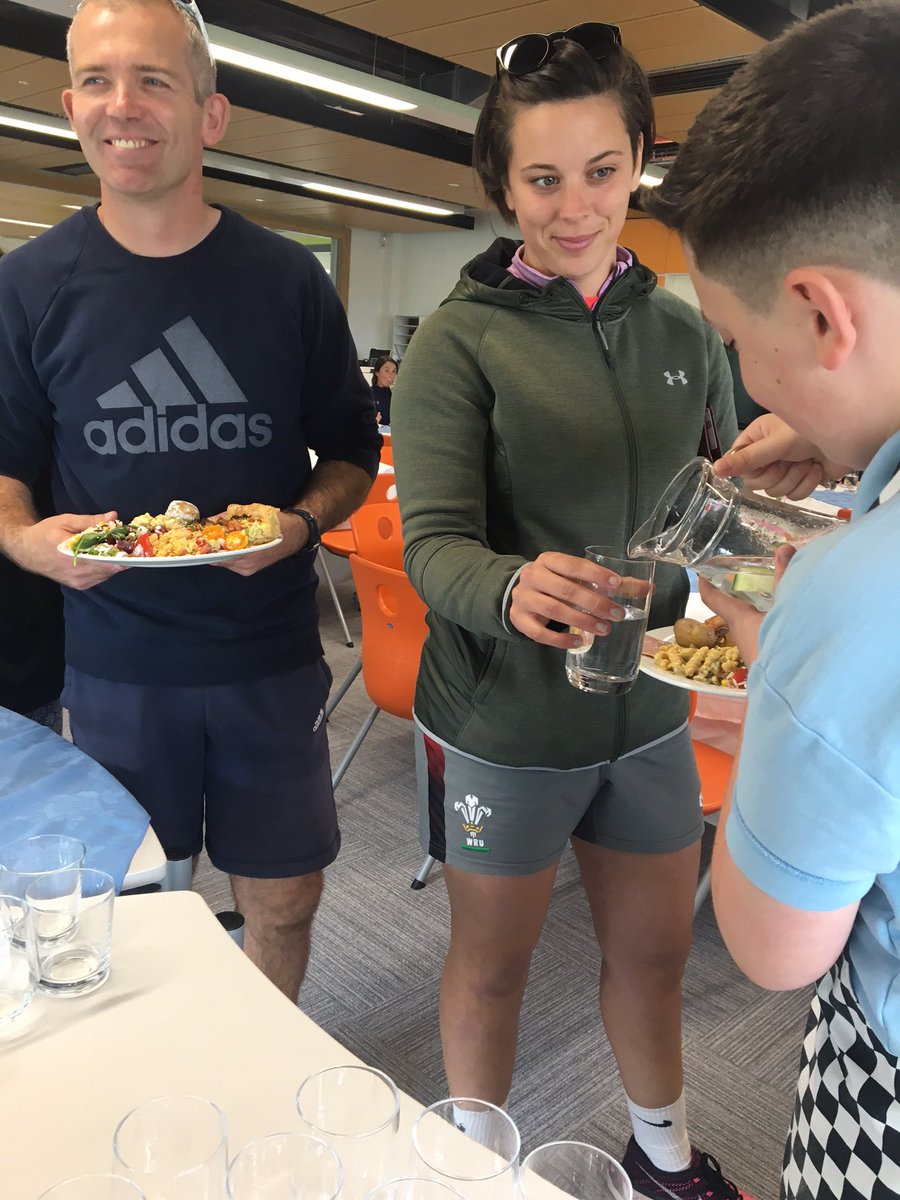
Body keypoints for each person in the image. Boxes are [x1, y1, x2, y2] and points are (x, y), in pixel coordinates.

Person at [392, 23, 749, 1199]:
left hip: (644, 714)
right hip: (504, 726)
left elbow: (726, 497)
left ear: (639, 158)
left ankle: (664, 1158)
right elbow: (431, 546)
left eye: (602, 170)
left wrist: (713, 568)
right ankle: (473, 1170)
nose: (576, 205)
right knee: (494, 966)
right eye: (542, 178)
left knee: (650, 956)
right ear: (503, 184)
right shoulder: (460, 340)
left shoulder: (685, 329)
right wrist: (509, 585)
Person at [0, 0, 380, 999]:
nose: (121, 105)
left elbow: (350, 451)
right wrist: (30, 543)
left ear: (211, 113)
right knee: (132, 908)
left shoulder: (287, 280)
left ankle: (261, 1053)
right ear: (71, 102)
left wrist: (297, 523)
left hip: (267, 653)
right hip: (117, 663)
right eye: (95, 79)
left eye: (154, 79)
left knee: (286, 896)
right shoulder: (30, 284)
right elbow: (6, 474)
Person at [644, 2, 900, 1195]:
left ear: (820, 312)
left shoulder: (853, 597)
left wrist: (775, 650)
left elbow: (772, 946)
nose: (749, 376)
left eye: (741, 337)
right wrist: (860, 435)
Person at [370, 356, 397, 426]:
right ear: (377, 372)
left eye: (394, 371)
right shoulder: (368, 394)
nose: (390, 375)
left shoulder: (396, 395)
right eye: (387, 371)